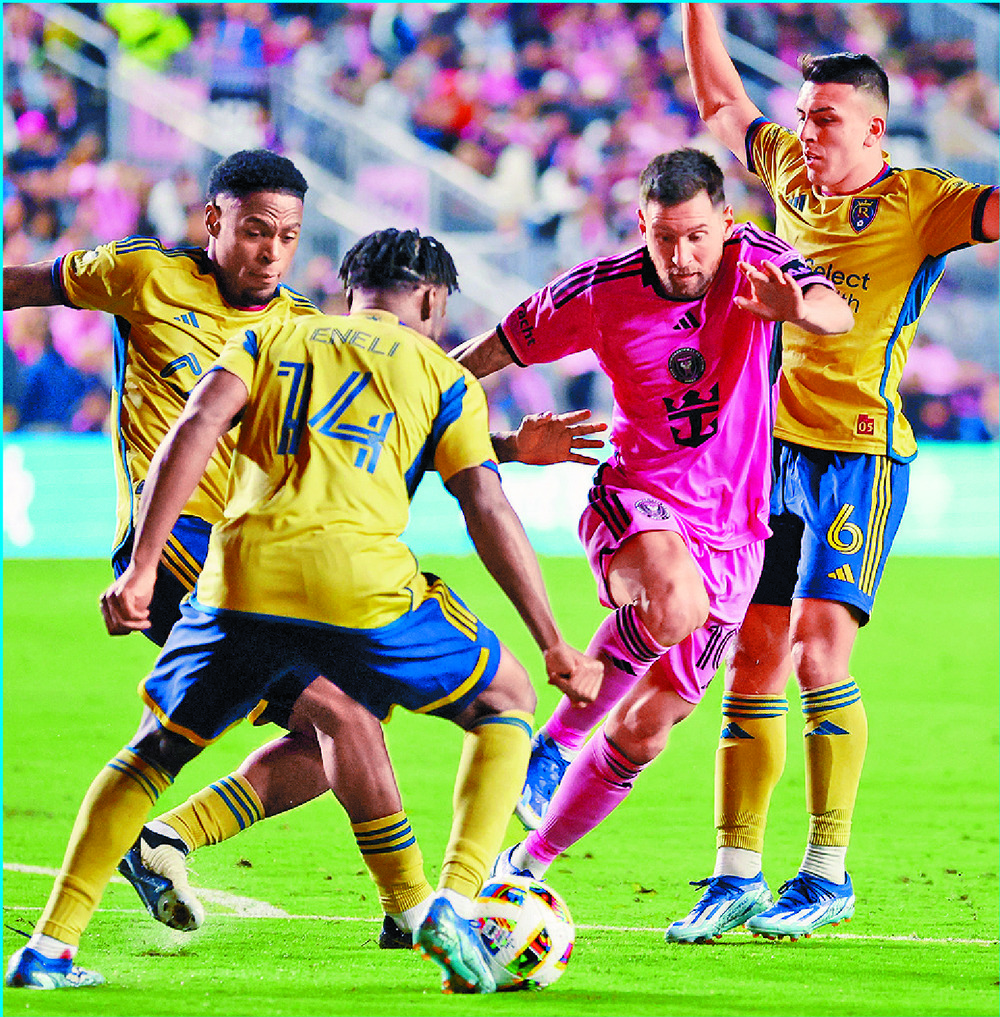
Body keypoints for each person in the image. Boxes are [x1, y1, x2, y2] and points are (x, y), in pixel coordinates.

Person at [2, 149, 604, 959]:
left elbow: (361, 422)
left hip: (241, 561)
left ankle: (142, 861)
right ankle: (428, 907)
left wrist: (503, 444)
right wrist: (143, 563)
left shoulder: (290, 327)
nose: (271, 251)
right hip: (182, 542)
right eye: (256, 231)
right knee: (362, 717)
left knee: (319, 742)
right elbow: (31, 289)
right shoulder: (143, 273)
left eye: (287, 236)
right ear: (214, 222)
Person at [668, 3, 998, 942]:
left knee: (819, 648)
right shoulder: (784, 172)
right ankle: (734, 871)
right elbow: (720, 99)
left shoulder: (927, 202)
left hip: (859, 455)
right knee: (752, 654)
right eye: (804, 115)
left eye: (825, 119)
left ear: (874, 129)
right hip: (768, 454)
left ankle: (827, 871)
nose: (805, 133)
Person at [450, 149, 853, 908]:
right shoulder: (600, 290)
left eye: (697, 236)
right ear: (642, 225)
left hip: (738, 529)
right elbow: (488, 354)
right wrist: (414, 394)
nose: (682, 255)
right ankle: (557, 744)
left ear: (725, 223)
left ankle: (524, 864)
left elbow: (838, 310)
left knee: (645, 729)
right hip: (639, 498)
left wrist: (795, 309)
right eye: (664, 237)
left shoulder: (756, 262)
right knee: (672, 602)